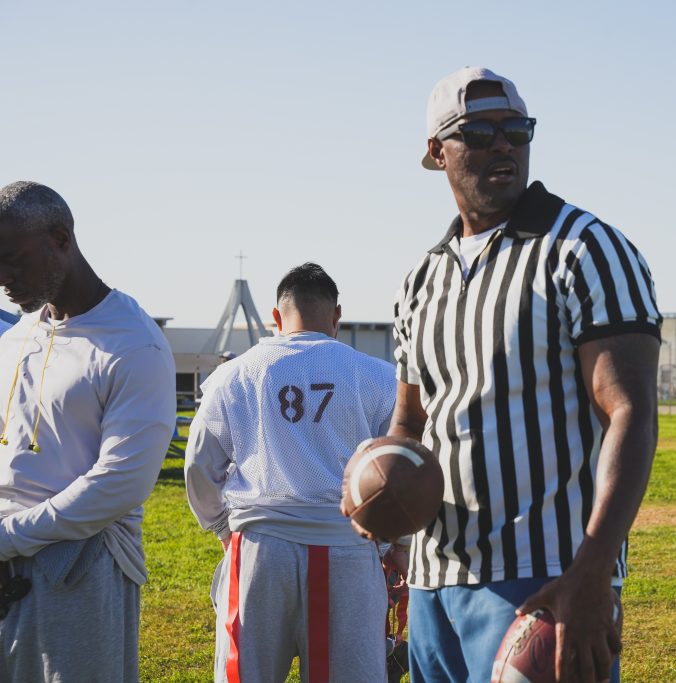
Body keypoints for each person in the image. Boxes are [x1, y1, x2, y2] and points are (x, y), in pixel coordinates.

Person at [387, 66, 661, 683]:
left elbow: (631, 411)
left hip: (547, 575)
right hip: (435, 579)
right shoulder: (420, 279)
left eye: (516, 129)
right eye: (479, 133)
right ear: (438, 153)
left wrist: (592, 571)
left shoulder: (585, 248)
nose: (503, 144)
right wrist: (382, 493)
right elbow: (410, 419)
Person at [184, 262, 397, 683]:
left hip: (260, 549)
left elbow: (198, 467)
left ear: (276, 317)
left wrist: (225, 530)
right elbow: (399, 469)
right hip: (347, 548)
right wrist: (393, 543)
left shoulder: (233, 376)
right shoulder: (379, 376)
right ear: (337, 316)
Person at [0, 181, 176, 681]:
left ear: (61, 237)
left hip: (78, 570)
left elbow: (119, 484)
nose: (2, 278)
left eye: (13, 259)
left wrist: (7, 538)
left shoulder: (132, 343)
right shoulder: (17, 336)